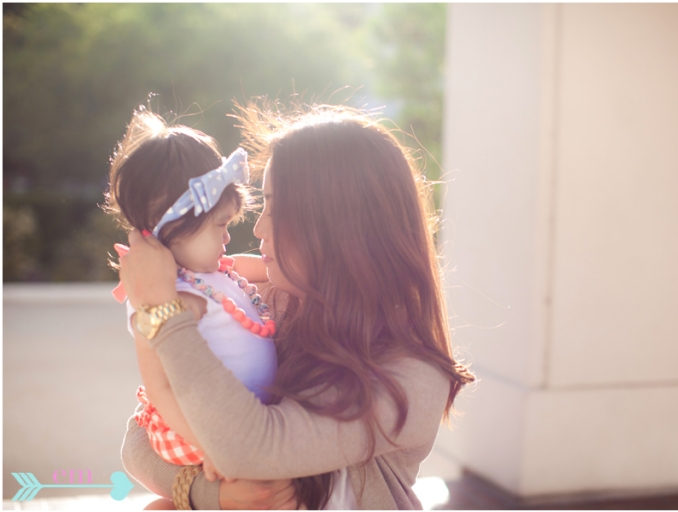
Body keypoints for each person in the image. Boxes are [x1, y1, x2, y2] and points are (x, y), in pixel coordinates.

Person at [119, 102, 476, 510]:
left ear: (338, 226)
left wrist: (162, 310)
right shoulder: (271, 307)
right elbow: (138, 437)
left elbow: (253, 448)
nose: (258, 227)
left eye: (277, 208)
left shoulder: (410, 377)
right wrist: (205, 492)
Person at [106, 110, 331, 509]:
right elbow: (161, 389)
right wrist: (210, 444)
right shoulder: (163, 297)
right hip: (198, 430)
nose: (229, 236)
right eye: (219, 225)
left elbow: (273, 266)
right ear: (171, 227)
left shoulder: (219, 272)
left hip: (242, 420)